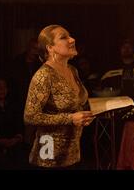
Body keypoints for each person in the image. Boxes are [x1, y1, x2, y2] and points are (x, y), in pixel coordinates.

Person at [24, 25, 94, 169]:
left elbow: (76, 103)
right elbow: (30, 116)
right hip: (49, 157)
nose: (72, 39)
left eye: (70, 35)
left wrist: (85, 115)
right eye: (64, 37)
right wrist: (71, 119)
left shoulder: (73, 70)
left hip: (73, 154)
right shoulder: (44, 75)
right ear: (50, 47)